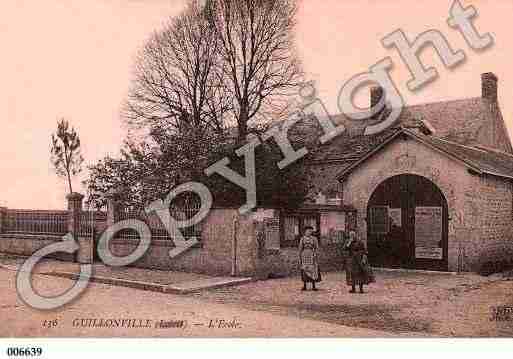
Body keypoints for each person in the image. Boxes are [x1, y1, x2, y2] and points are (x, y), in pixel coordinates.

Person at [299, 226, 321, 291]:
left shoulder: (314, 239)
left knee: (313, 270)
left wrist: (315, 254)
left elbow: (317, 248)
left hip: (312, 255)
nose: (309, 232)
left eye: (310, 231)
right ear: (305, 232)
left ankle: (313, 285)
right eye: (308, 231)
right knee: (305, 270)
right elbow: (300, 248)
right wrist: (300, 257)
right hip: (304, 255)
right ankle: (305, 285)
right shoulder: (302, 239)